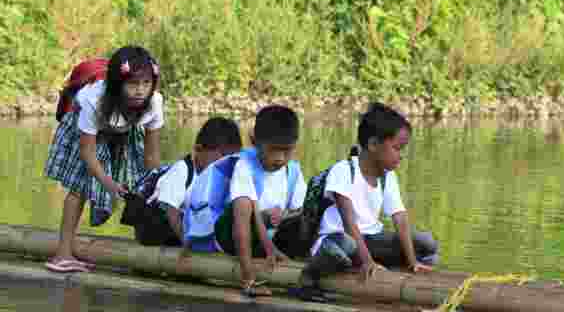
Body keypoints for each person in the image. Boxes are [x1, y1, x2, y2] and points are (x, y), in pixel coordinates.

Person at [295, 103, 438, 301]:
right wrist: (368, 261)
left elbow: (400, 218)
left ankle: (374, 265)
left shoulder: (388, 177)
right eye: (397, 148)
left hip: (370, 241)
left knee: (426, 243)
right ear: (373, 145)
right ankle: (309, 276)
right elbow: (348, 221)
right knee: (341, 247)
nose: (401, 155)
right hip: (340, 239)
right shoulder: (344, 171)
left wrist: (412, 261)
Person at [43, 46, 163, 273]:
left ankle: (148, 251)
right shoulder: (93, 100)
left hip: (123, 129)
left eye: (146, 84)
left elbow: (151, 154)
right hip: (86, 131)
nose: (140, 91)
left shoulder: (154, 102)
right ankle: (62, 254)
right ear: (118, 84)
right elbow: (87, 152)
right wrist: (108, 183)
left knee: (144, 185)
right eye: (133, 84)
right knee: (79, 188)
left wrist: (155, 186)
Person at [182, 105, 306, 297]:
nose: (280, 159)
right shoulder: (243, 166)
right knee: (246, 204)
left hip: (264, 235)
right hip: (223, 235)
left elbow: (299, 213)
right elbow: (242, 220)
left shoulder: (293, 171)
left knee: (310, 212)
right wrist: (248, 276)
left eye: (287, 151)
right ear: (255, 142)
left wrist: (283, 220)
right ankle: (248, 273)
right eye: (273, 150)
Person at [127, 117, 242, 246]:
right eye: (220, 160)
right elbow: (171, 211)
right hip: (156, 224)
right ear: (198, 150)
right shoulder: (182, 170)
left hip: (183, 222)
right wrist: (186, 243)